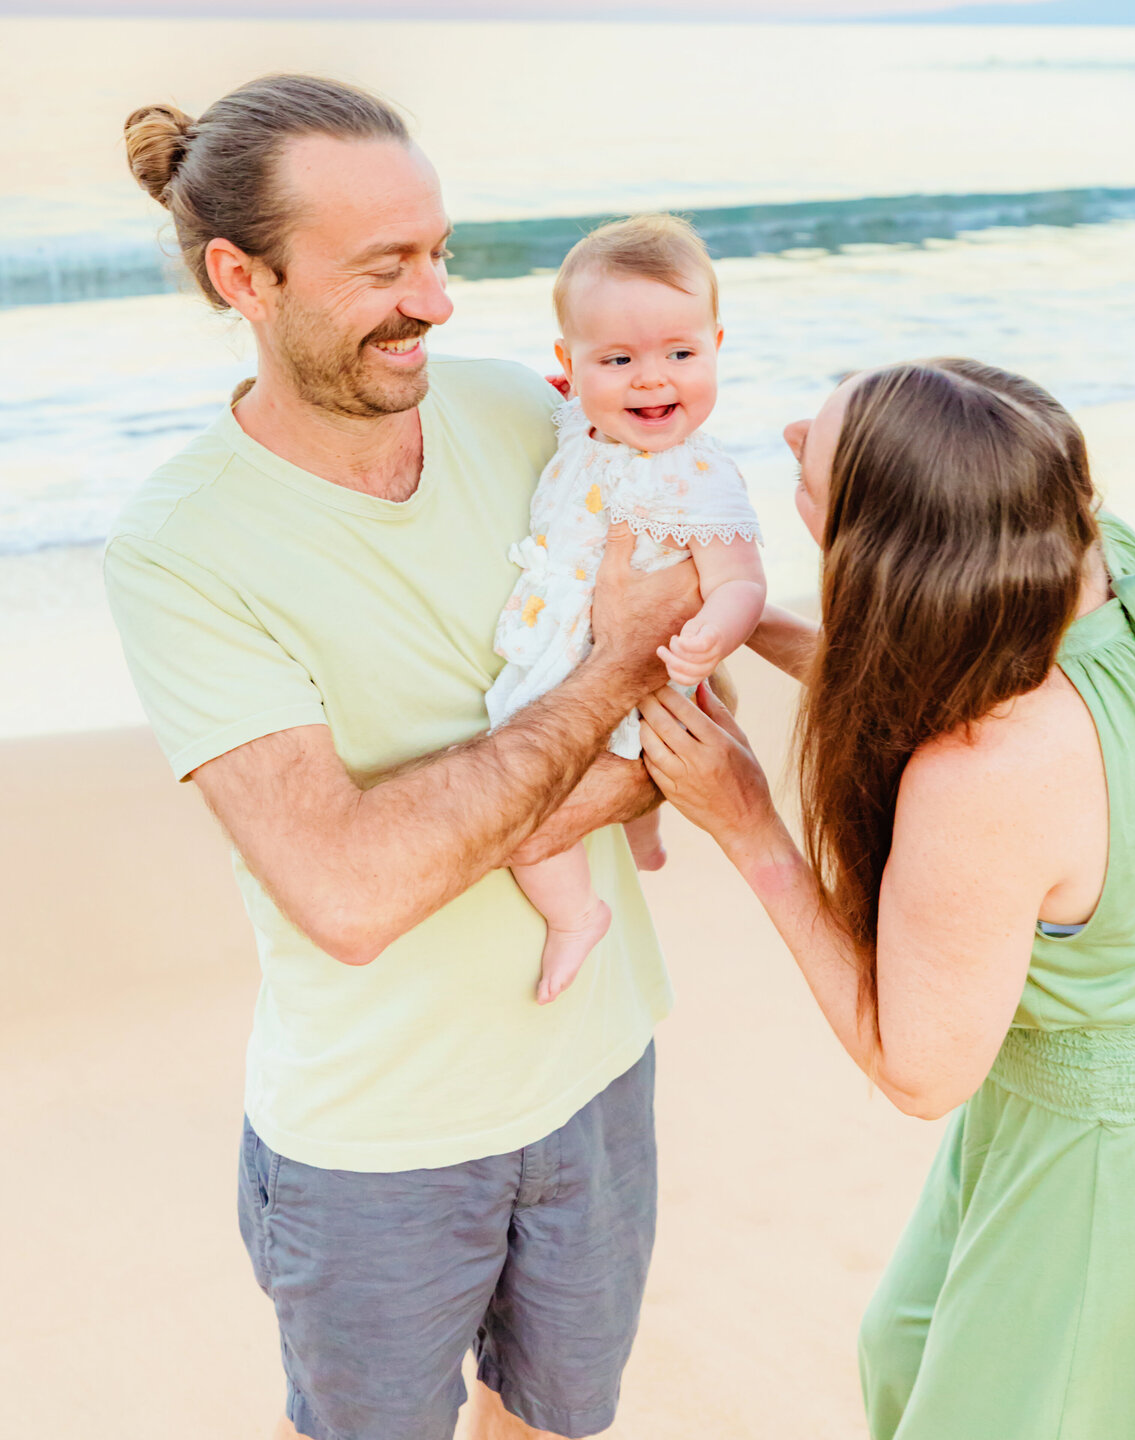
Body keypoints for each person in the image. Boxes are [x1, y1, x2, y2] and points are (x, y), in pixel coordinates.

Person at [106, 74, 701, 1440]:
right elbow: (352, 893)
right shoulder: (182, 548)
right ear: (241, 277)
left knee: (554, 1424)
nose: (437, 299)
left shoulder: (528, 413)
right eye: (386, 267)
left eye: (436, 253)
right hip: (377, 1139)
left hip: (598, 1064)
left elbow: (690, 711)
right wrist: (607, 689)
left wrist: (560, 768)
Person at [638, 358, 1135, 1440]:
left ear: (885, 541)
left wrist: (749, 823)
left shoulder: (990, 772)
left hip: (1112, 1150)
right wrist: (750, 625)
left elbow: (916, 1070)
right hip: (1063, 1085)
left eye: (823, 449)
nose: (795, 429)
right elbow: (943, 660)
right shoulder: (1109, 564)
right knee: (905, 1343)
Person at [488, 213, 765, 1002]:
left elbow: (741, 578)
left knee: (527, 822)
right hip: (563, 655)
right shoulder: (582, 421)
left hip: (642, 676)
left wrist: (716, 630)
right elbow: (560, 405)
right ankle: (642, 834)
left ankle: (577, 915)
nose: (651, 379)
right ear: (569, 367)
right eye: (619, 359)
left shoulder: (696, 477)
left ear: (717, 345)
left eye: (681, 353)